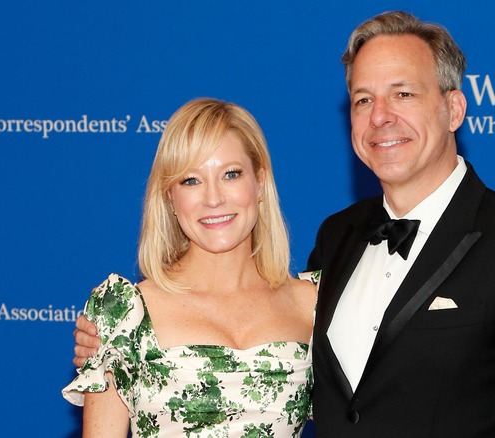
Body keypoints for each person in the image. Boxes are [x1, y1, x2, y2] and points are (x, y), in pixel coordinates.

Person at [75, 10, 495, 437]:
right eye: (364, 99)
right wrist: (114, 342)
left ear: (453, 108)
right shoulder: (337, 240)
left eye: (403, 94)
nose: (380, 116)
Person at [63, 98, 317, 437]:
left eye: (230, 174)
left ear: (259, 181)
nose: (213, 198)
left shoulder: (315, 303)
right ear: (169, 196)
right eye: (191, 180)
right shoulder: (125, 312)